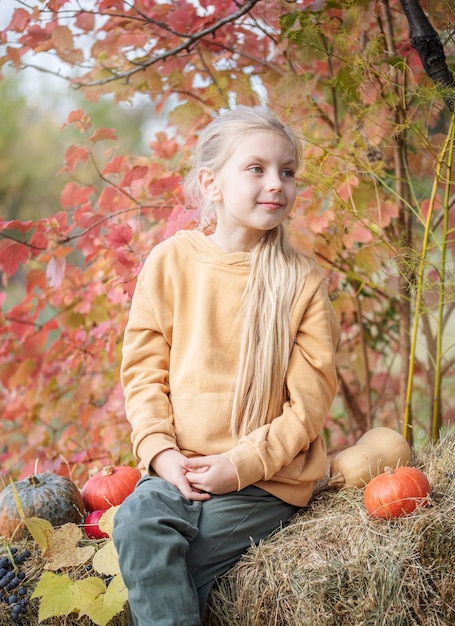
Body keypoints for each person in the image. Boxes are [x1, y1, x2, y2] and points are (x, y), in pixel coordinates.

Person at [112, 106, 340, 626]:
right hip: (181, 469)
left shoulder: (299, 281)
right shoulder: (170, 262)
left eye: (287, 172)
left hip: (265, 481)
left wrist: (238, 466)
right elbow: (144, 374)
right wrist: (162, 455)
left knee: (166, 567)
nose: (276, 183)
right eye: (256, 169)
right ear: (211, 183)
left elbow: (309, 406)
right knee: (136, 525)